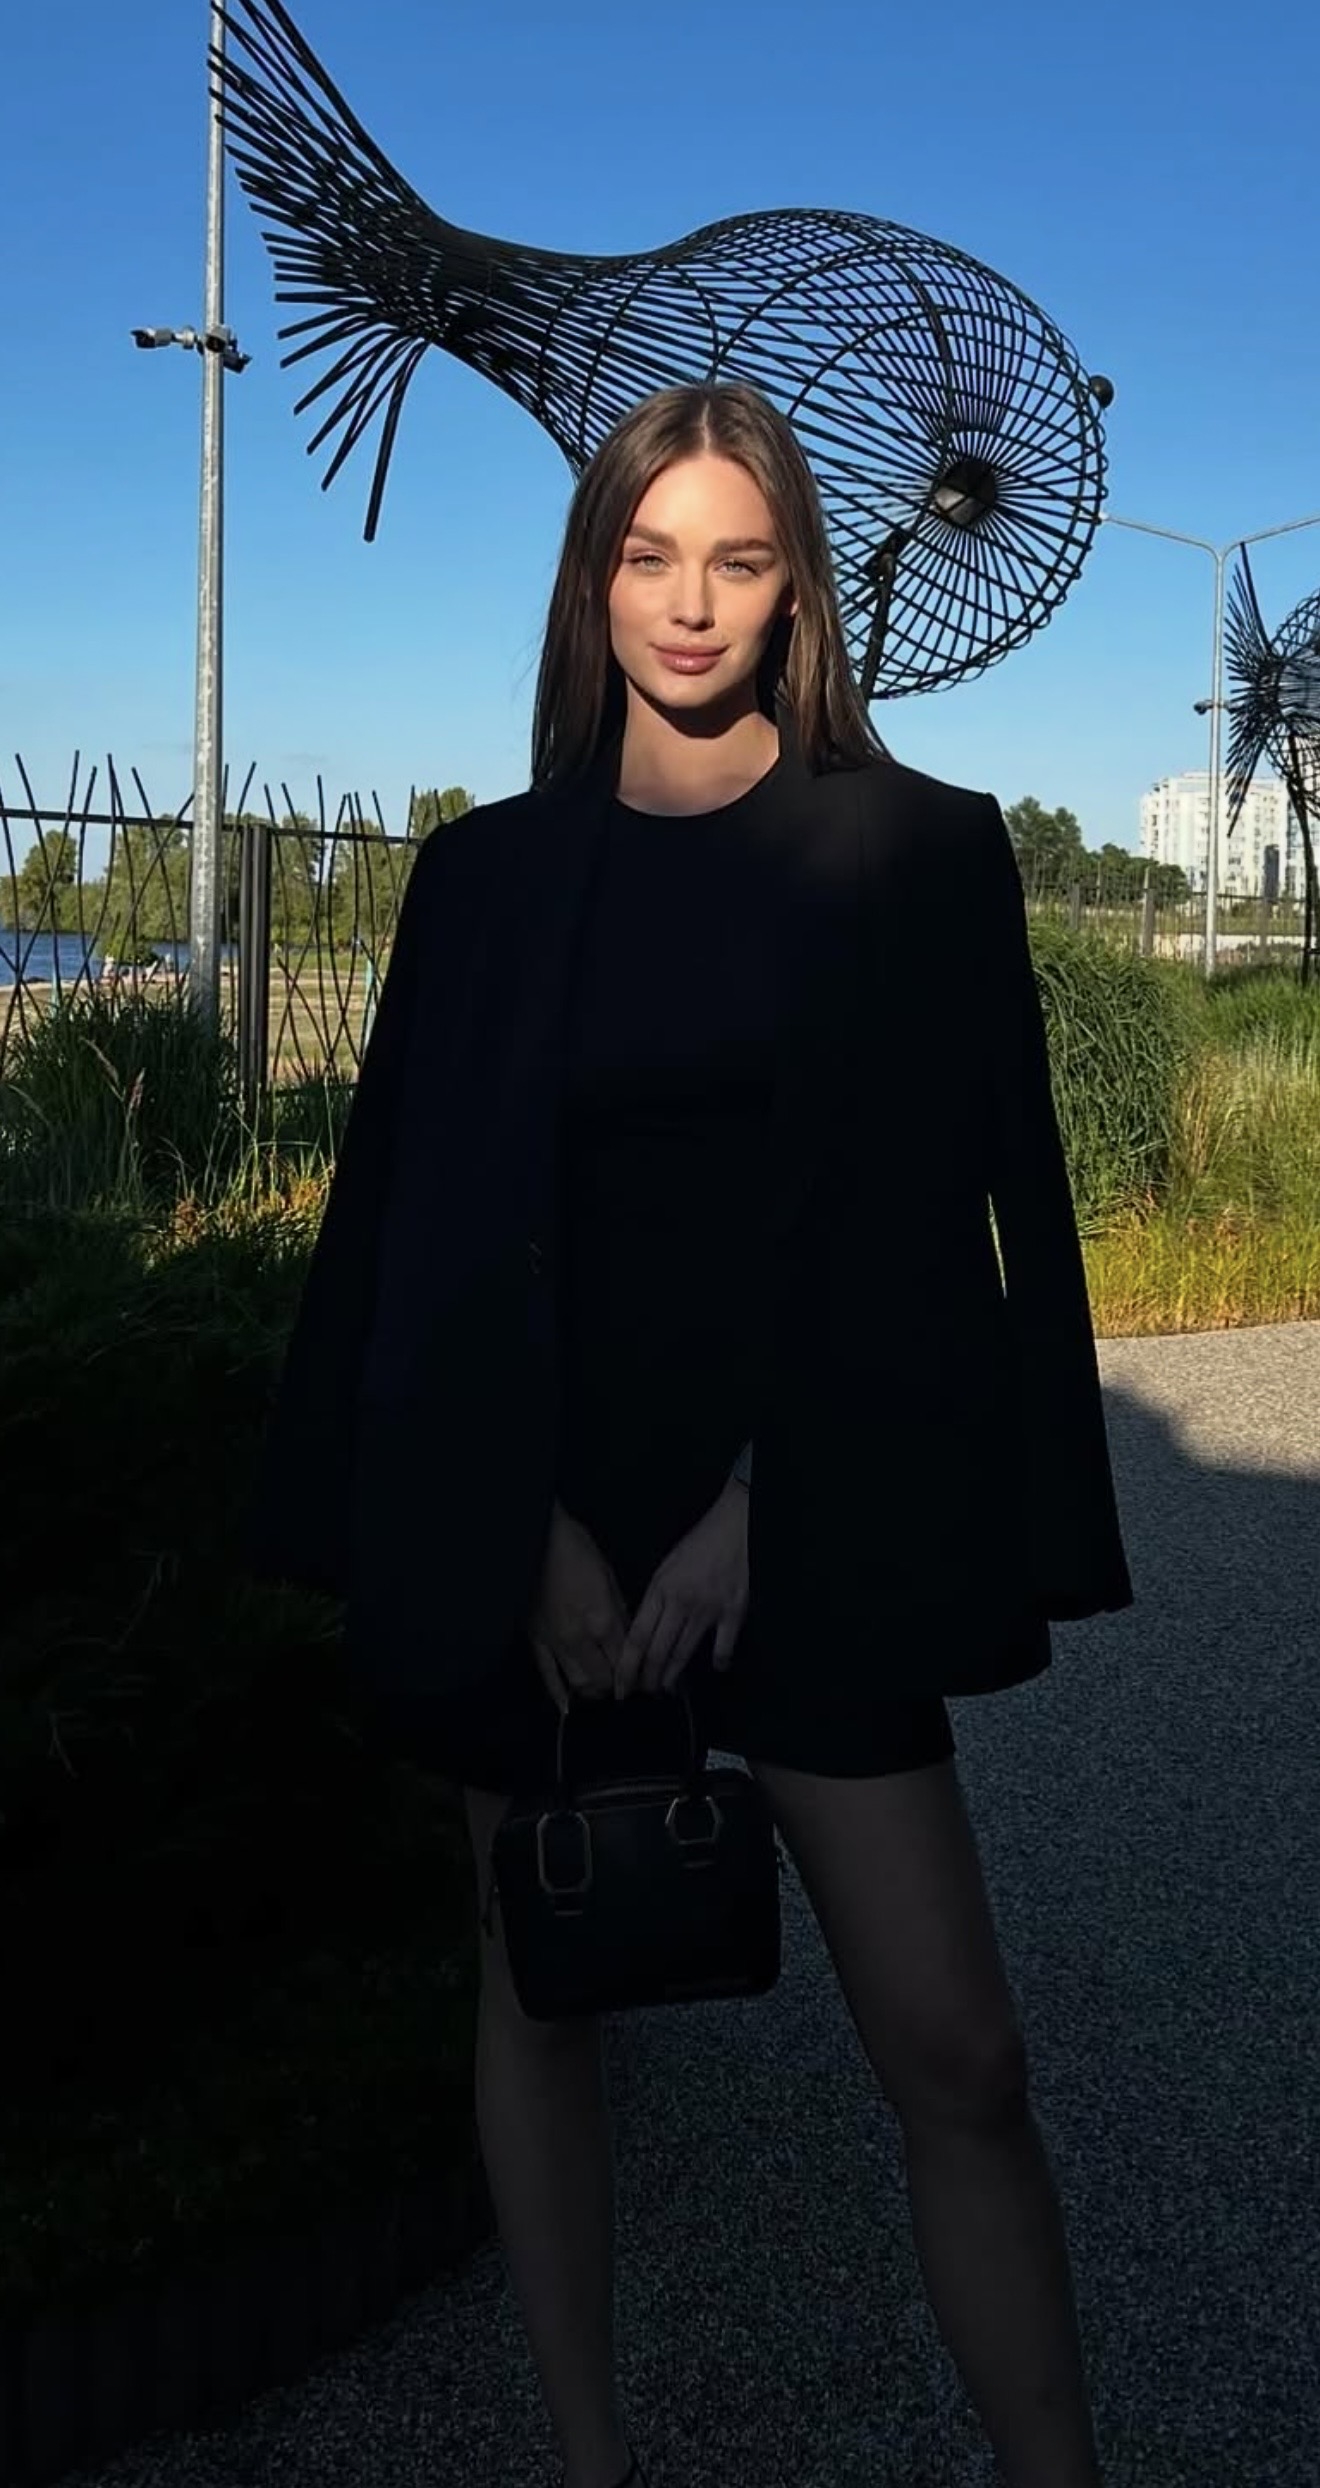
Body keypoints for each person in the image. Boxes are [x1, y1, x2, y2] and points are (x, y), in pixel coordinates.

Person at [248, 380, 1133, 2488]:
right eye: (648, 557)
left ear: (798, 587)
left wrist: (770, 1502)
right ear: (594, 584)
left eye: (738, 558)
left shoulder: (922, 848)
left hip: (812, 1501)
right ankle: (594, 2462)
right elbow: (415, 1228)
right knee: (542, 1990)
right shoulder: (485, 878)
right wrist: (522, 1528)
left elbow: (950, 1221)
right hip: (541, 1521)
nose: (690, 601)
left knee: (961, 2051)